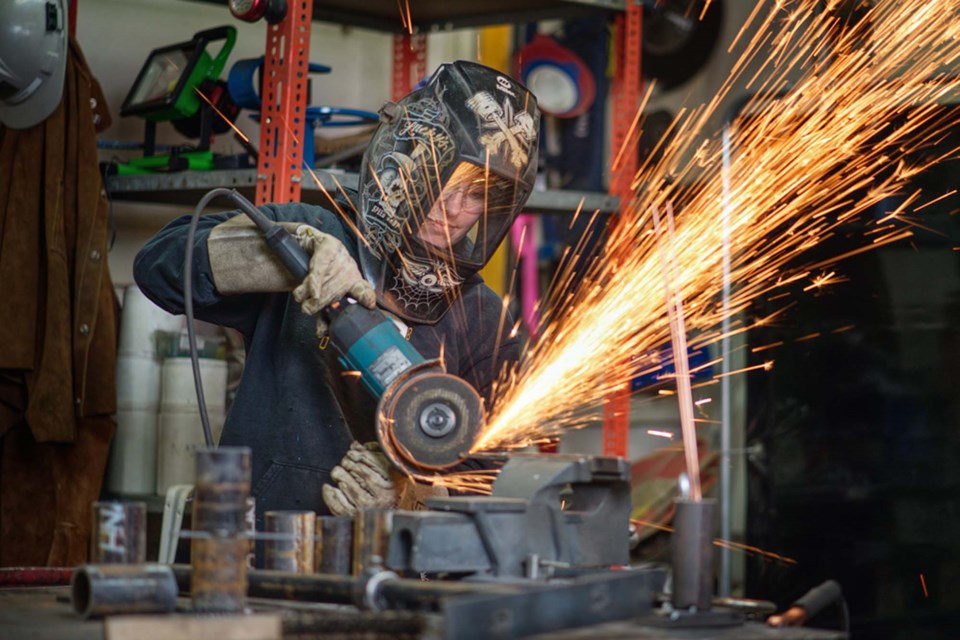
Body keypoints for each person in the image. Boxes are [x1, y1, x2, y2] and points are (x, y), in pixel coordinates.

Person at [134, 60, 540, 531]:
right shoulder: (317, 231)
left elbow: (496, 489)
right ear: (406, 156)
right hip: (256, 552)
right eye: (443, 178)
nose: (451, 210)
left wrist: (415, 499)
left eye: (476, 195)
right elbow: (156, 265)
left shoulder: (486, 323)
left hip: (391, 580)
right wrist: (281, 257)